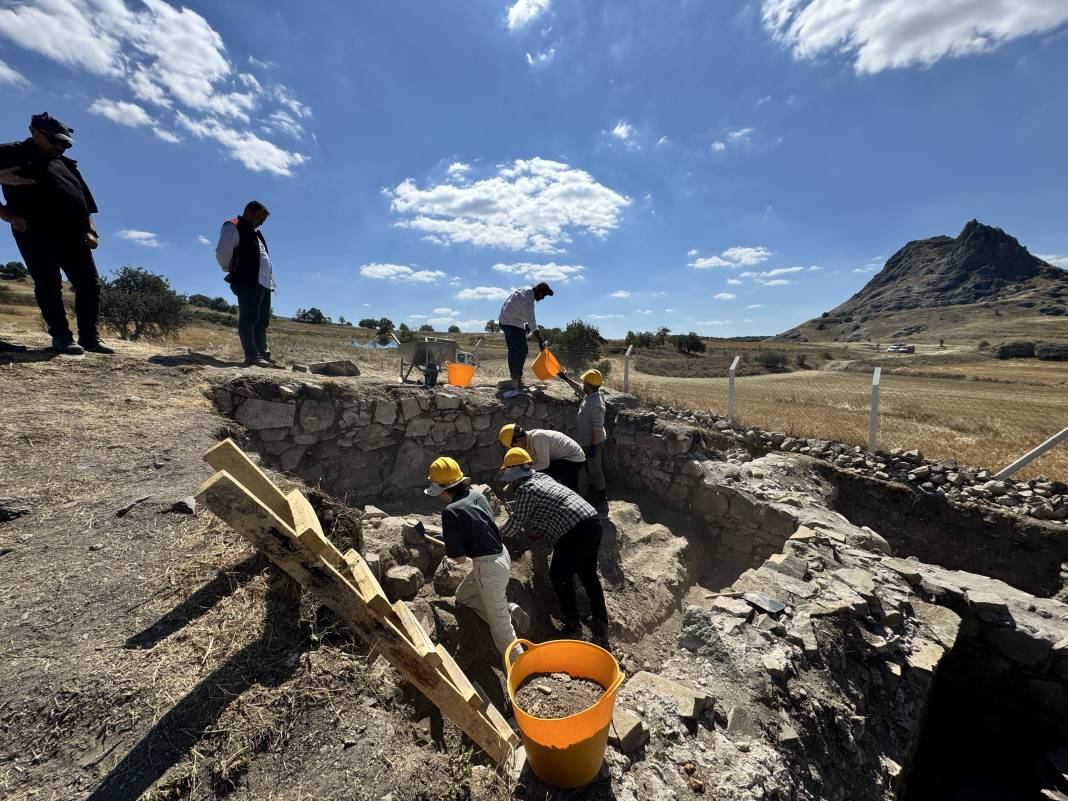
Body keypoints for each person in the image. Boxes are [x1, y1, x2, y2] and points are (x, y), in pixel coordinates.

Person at [0, 113, 113, 355]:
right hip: (35, 232)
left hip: (75, 234)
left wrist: (92, 230)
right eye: (55, 141)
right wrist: (8, 216)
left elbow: (85, 201)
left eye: (65, 143)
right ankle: (61, 337)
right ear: (34, 131)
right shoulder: (10, 152)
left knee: (89, 284)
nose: (60, 146)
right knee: (49, 283)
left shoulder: (67, 164)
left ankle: (90, 337)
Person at [425, 456, 528, 660]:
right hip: (502, 554)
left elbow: (460, 559)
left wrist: (450, 546)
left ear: (442, 489)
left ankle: (522, 668)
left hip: (488, 568)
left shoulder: (450, 512)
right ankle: (508, 608)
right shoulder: (476, 494)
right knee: (463, 596)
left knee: (502, 629)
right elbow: (478, 525)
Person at [498, 447, 608, 637]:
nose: (511, 484)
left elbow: (514, 525)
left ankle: (573, 625)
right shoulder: (543, 478)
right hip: (592, 521)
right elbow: (552, 509)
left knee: (558, 575)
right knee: (588, 575)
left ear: (514, 476)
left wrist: (496, 532)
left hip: (575, 530)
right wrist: (537, 531)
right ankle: (600, 621)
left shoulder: (526, 489)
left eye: (510, 480)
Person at [215, 200, 278, 368]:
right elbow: (222, 252)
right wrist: (231, 270)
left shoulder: (255, 233)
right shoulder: (233, 226)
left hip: (264, 283)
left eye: (263, 221)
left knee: (262, 321)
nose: (260, 224)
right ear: (249, 212)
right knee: (249, 318)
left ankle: (263, 354)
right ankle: (252, 356)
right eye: (259, 219)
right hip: (247, 280)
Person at [558, 369, 607, 507]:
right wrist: (565, 378)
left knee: (596, 470)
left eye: (584, 382)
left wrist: (593, 446)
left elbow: (597, 428)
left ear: (589, 385)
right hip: (587, 441)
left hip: (593, 443)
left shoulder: (595, 404)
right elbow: (579, 389)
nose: (582, 384)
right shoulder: (591, 394)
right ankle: (592, 492)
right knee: (590, 468)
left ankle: (601, 498)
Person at [497, 282, 553, 392]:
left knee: (513, 349)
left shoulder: (526, 290)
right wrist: (541, 342)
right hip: (512, 322)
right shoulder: (528, 301)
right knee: (522, 350)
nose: (542, 299)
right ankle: (516, 378)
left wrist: (526, 325)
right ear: (538, 291)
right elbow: (533, 323)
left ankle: (514, 378)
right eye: (543, 295)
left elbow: (516, 306)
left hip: (504, 320)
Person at [498, 423, 585, 491]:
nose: (514, 449)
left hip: (573, 459)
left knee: (541, 476)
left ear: (518, 440)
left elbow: (544, 464)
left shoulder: (537, 438)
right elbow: (529, 463)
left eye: (512, 446)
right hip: (562, 458)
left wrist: (521, 472)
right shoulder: (526, 442)